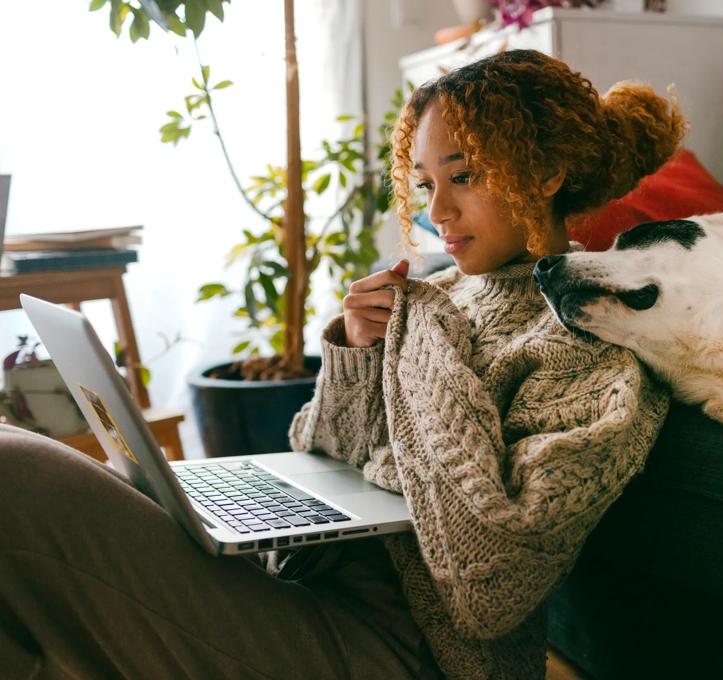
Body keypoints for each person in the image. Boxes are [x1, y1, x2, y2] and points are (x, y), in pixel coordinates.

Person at [0, 49, 684, 679]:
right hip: (305, 586)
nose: (436, 211)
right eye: (423, 182)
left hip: (407, 652)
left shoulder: (593, 340)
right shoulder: (439, 297)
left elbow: (489, 586)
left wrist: (419, 356)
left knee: (16, 475)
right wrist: (358, 356)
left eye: (464, 176)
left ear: (546, 173)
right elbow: (320, 452)